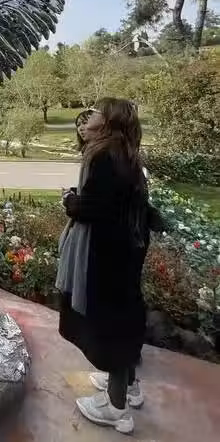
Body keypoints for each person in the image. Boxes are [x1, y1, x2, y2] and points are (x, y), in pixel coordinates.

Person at [56, 99, 159, 435]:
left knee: (113, 321)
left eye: (97, 112)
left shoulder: (104, 156)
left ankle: (116, 408)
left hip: (108, 251)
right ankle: (129, 386)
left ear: (109, 121)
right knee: (124, 311)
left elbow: (94, 209)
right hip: (128, 247)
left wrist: (70, 201)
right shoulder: (126, 153)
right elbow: (117, 202)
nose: (90, 116)